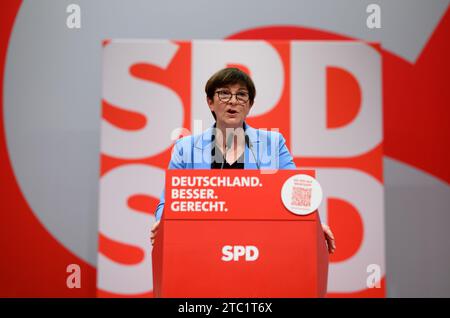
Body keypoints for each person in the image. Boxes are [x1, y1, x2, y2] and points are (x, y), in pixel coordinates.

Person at [150, 67, 336, 253]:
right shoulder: (186, 148)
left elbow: (295, 191)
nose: (233, 101)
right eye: (224, 94)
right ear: (210, 102)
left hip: (258, 244)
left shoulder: (272, 143)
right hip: (202, 245)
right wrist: (163, 222)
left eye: (241, 95)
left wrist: (315, 223)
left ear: (250, 104)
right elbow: (167, 201)